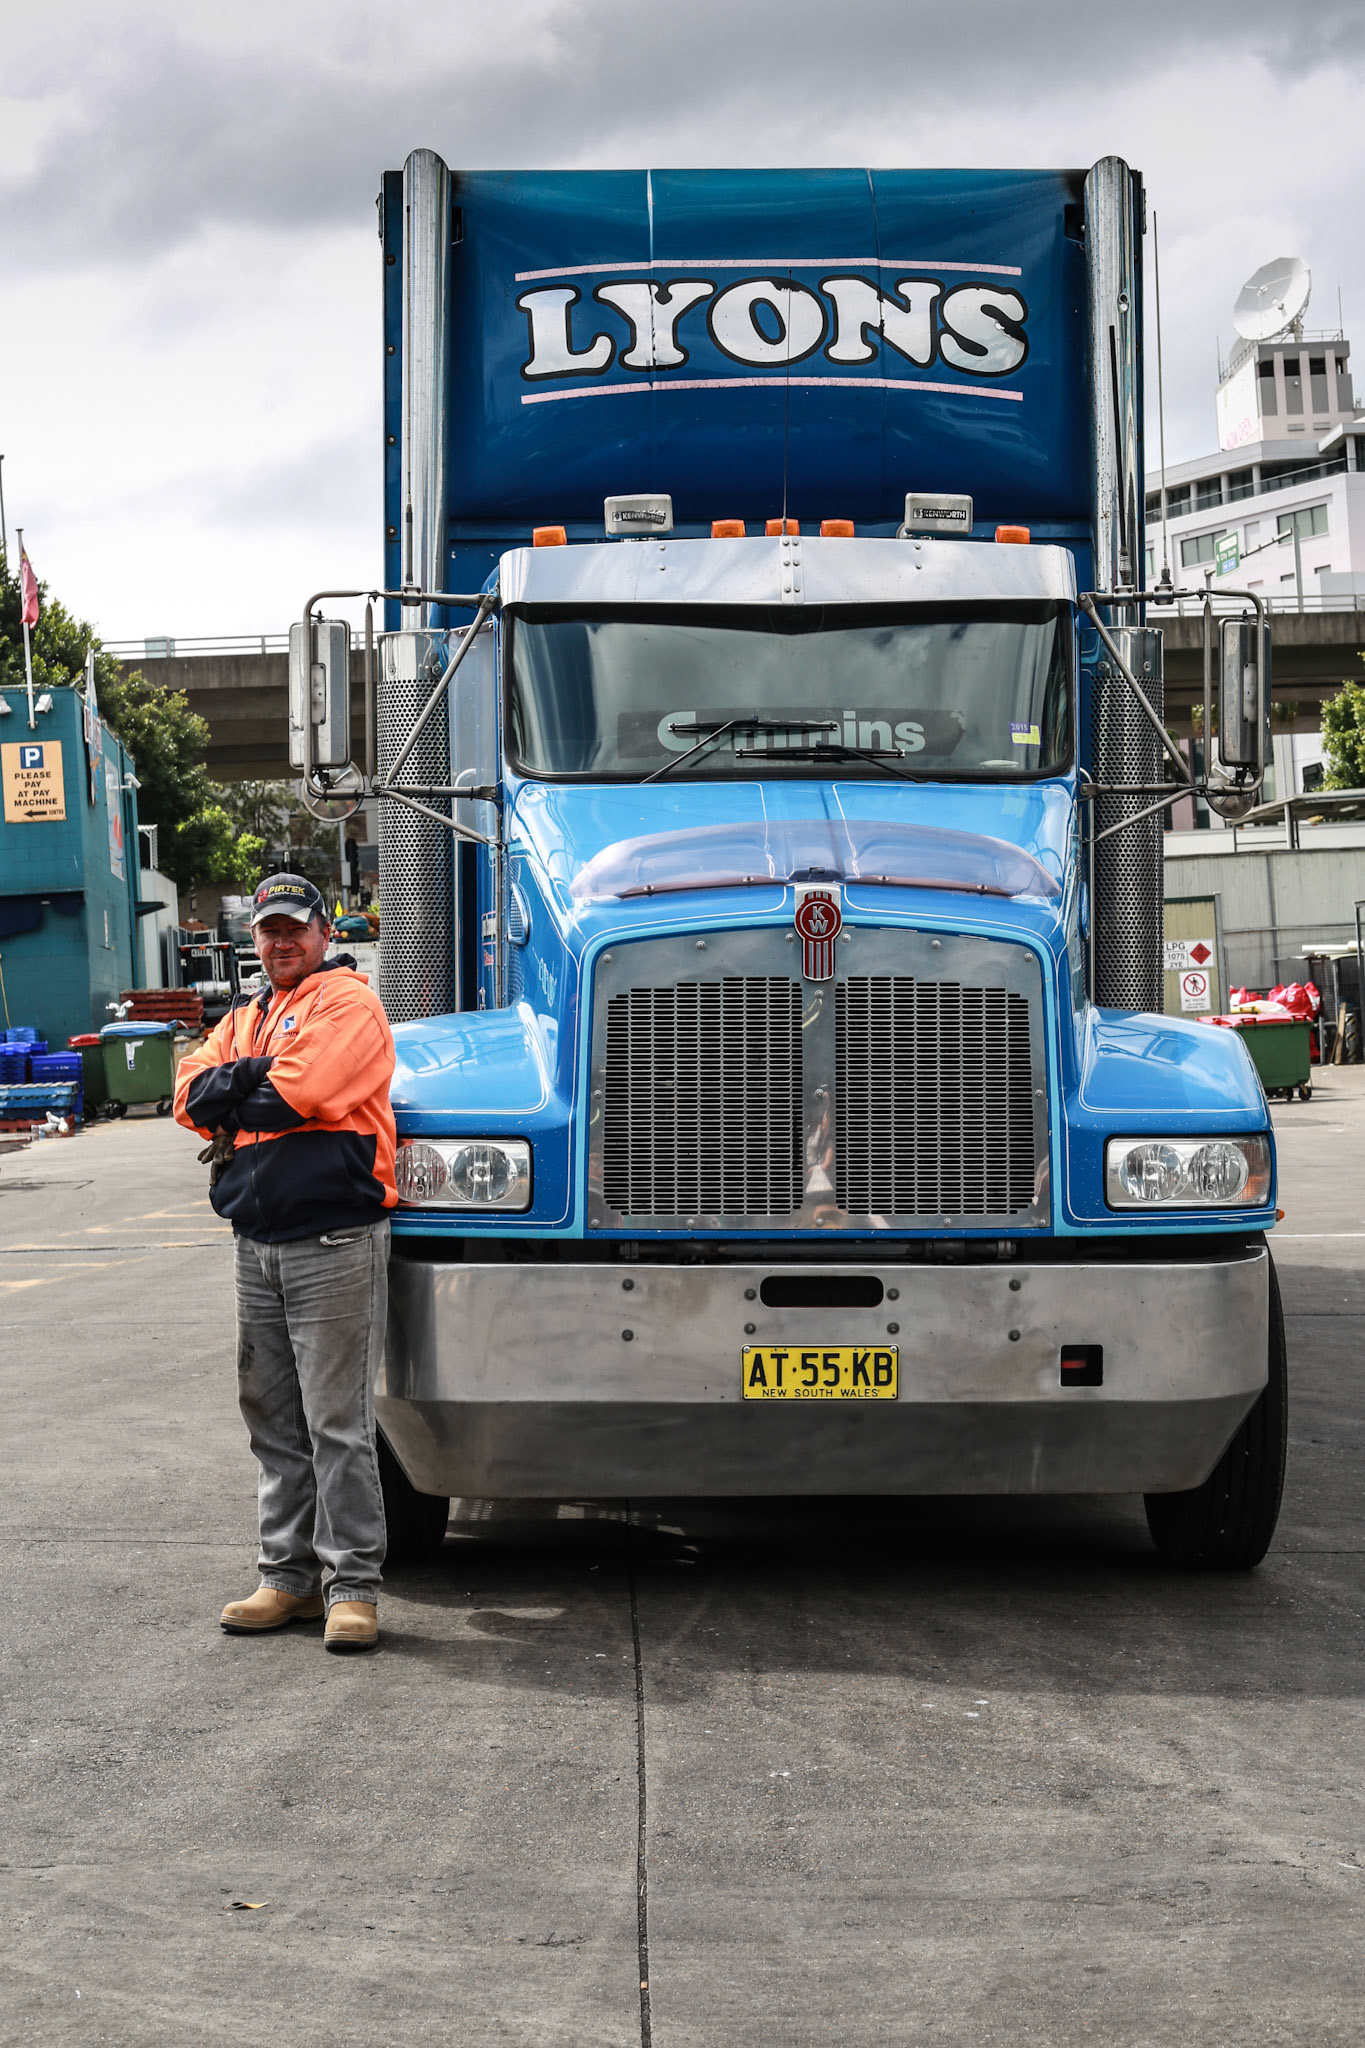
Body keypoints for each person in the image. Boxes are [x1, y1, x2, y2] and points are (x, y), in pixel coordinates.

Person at [174, 873, 398, 1653]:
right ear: (256, 940)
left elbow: (296, 1095)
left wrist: (234, 1090)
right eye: (268, 930)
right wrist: (236, 1083)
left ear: (322, 933)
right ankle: (289, 1580)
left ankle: (354, 1589)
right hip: (256, 1243)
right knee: (271, 1418)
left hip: (333, 1239)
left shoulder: (348, 1003)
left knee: (335, 1422)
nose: (281, 942)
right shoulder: (245, 1016)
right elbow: (186, 1094)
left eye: (295, 928)